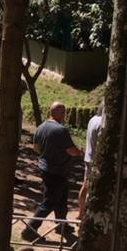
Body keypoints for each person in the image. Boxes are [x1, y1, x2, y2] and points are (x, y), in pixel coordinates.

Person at [22, 101, 82, 241]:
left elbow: (36, 148)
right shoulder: (61, 130)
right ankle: (29, 230)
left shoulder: (41, 127)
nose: (64, 115)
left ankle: (61, 225)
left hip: (47, 169)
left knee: (61, 199)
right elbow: (71, 151)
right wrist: (80, 153)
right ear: (60, 113)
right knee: (49, 202)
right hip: (56, 171)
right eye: (63, 112)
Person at [78, 105, 104, 218]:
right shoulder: (103, 123)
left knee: (85, 186)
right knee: (96, 187)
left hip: (88, 156)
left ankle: (81, 212)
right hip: (96, 159)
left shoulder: (93, 119)